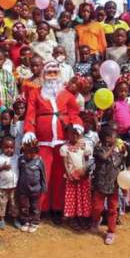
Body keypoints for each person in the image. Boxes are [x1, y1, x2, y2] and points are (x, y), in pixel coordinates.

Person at [22, 61, 83, 220]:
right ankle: (41, 208)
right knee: (43, 175)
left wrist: (76, 125)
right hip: (43, 142)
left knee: (59, 175)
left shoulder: (66, 95)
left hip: (62, 142)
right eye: (49, 73)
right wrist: (29, 131)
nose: (52, 76)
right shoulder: (36, 93)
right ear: (44, 74)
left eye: (55, 73)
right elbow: (30, 114)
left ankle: (57, 207)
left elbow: (74, 113)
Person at [90, 126, 126, 245]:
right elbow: (104, 157)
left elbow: (120, 164)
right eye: (114, 137)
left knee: (112, 209)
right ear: (107, 138)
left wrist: (123, 153)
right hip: (100, 184)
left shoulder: (117, 150)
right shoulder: (98, 149)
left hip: (113, 185)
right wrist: (113, 147)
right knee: (97, 207)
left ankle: (111, 231)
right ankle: (95, 221)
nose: (116, 139)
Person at [60, 123, 93, 229]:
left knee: (83, 197)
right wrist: (69, 174)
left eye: (76, 134)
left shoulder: (84, 145)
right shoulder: (65, 148)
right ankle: (73, 218)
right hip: (72, 177)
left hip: (83, 176)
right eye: (71, 134)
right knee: (72, 198)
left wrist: (86, 172)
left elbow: (87, 160)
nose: (74, 136)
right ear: (68, 134)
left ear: (80, 135)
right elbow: (65, 163)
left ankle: (83, 217)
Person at [16, 143, 47, 233]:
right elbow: (18, 172)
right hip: (23, 188)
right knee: (24, 206)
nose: (28, 155)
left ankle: (34, 222)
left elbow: (43, 174)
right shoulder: (21, 160)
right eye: (26, 152)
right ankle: (25, 221)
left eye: (31, 153)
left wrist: (44, 186)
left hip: (36, 189)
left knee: (35, 206)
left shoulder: (39, 161)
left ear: (35, 152)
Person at [0, 135, 18, 230]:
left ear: (14, 148)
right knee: (1, 204)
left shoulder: (16, 158)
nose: (9, 150)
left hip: (14, 187)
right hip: (3, 187)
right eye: (6, 147)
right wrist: (2, 168)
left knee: (14, 204)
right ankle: (1, 219)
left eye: (11, 147)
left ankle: (15, 219)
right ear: (2, 147)